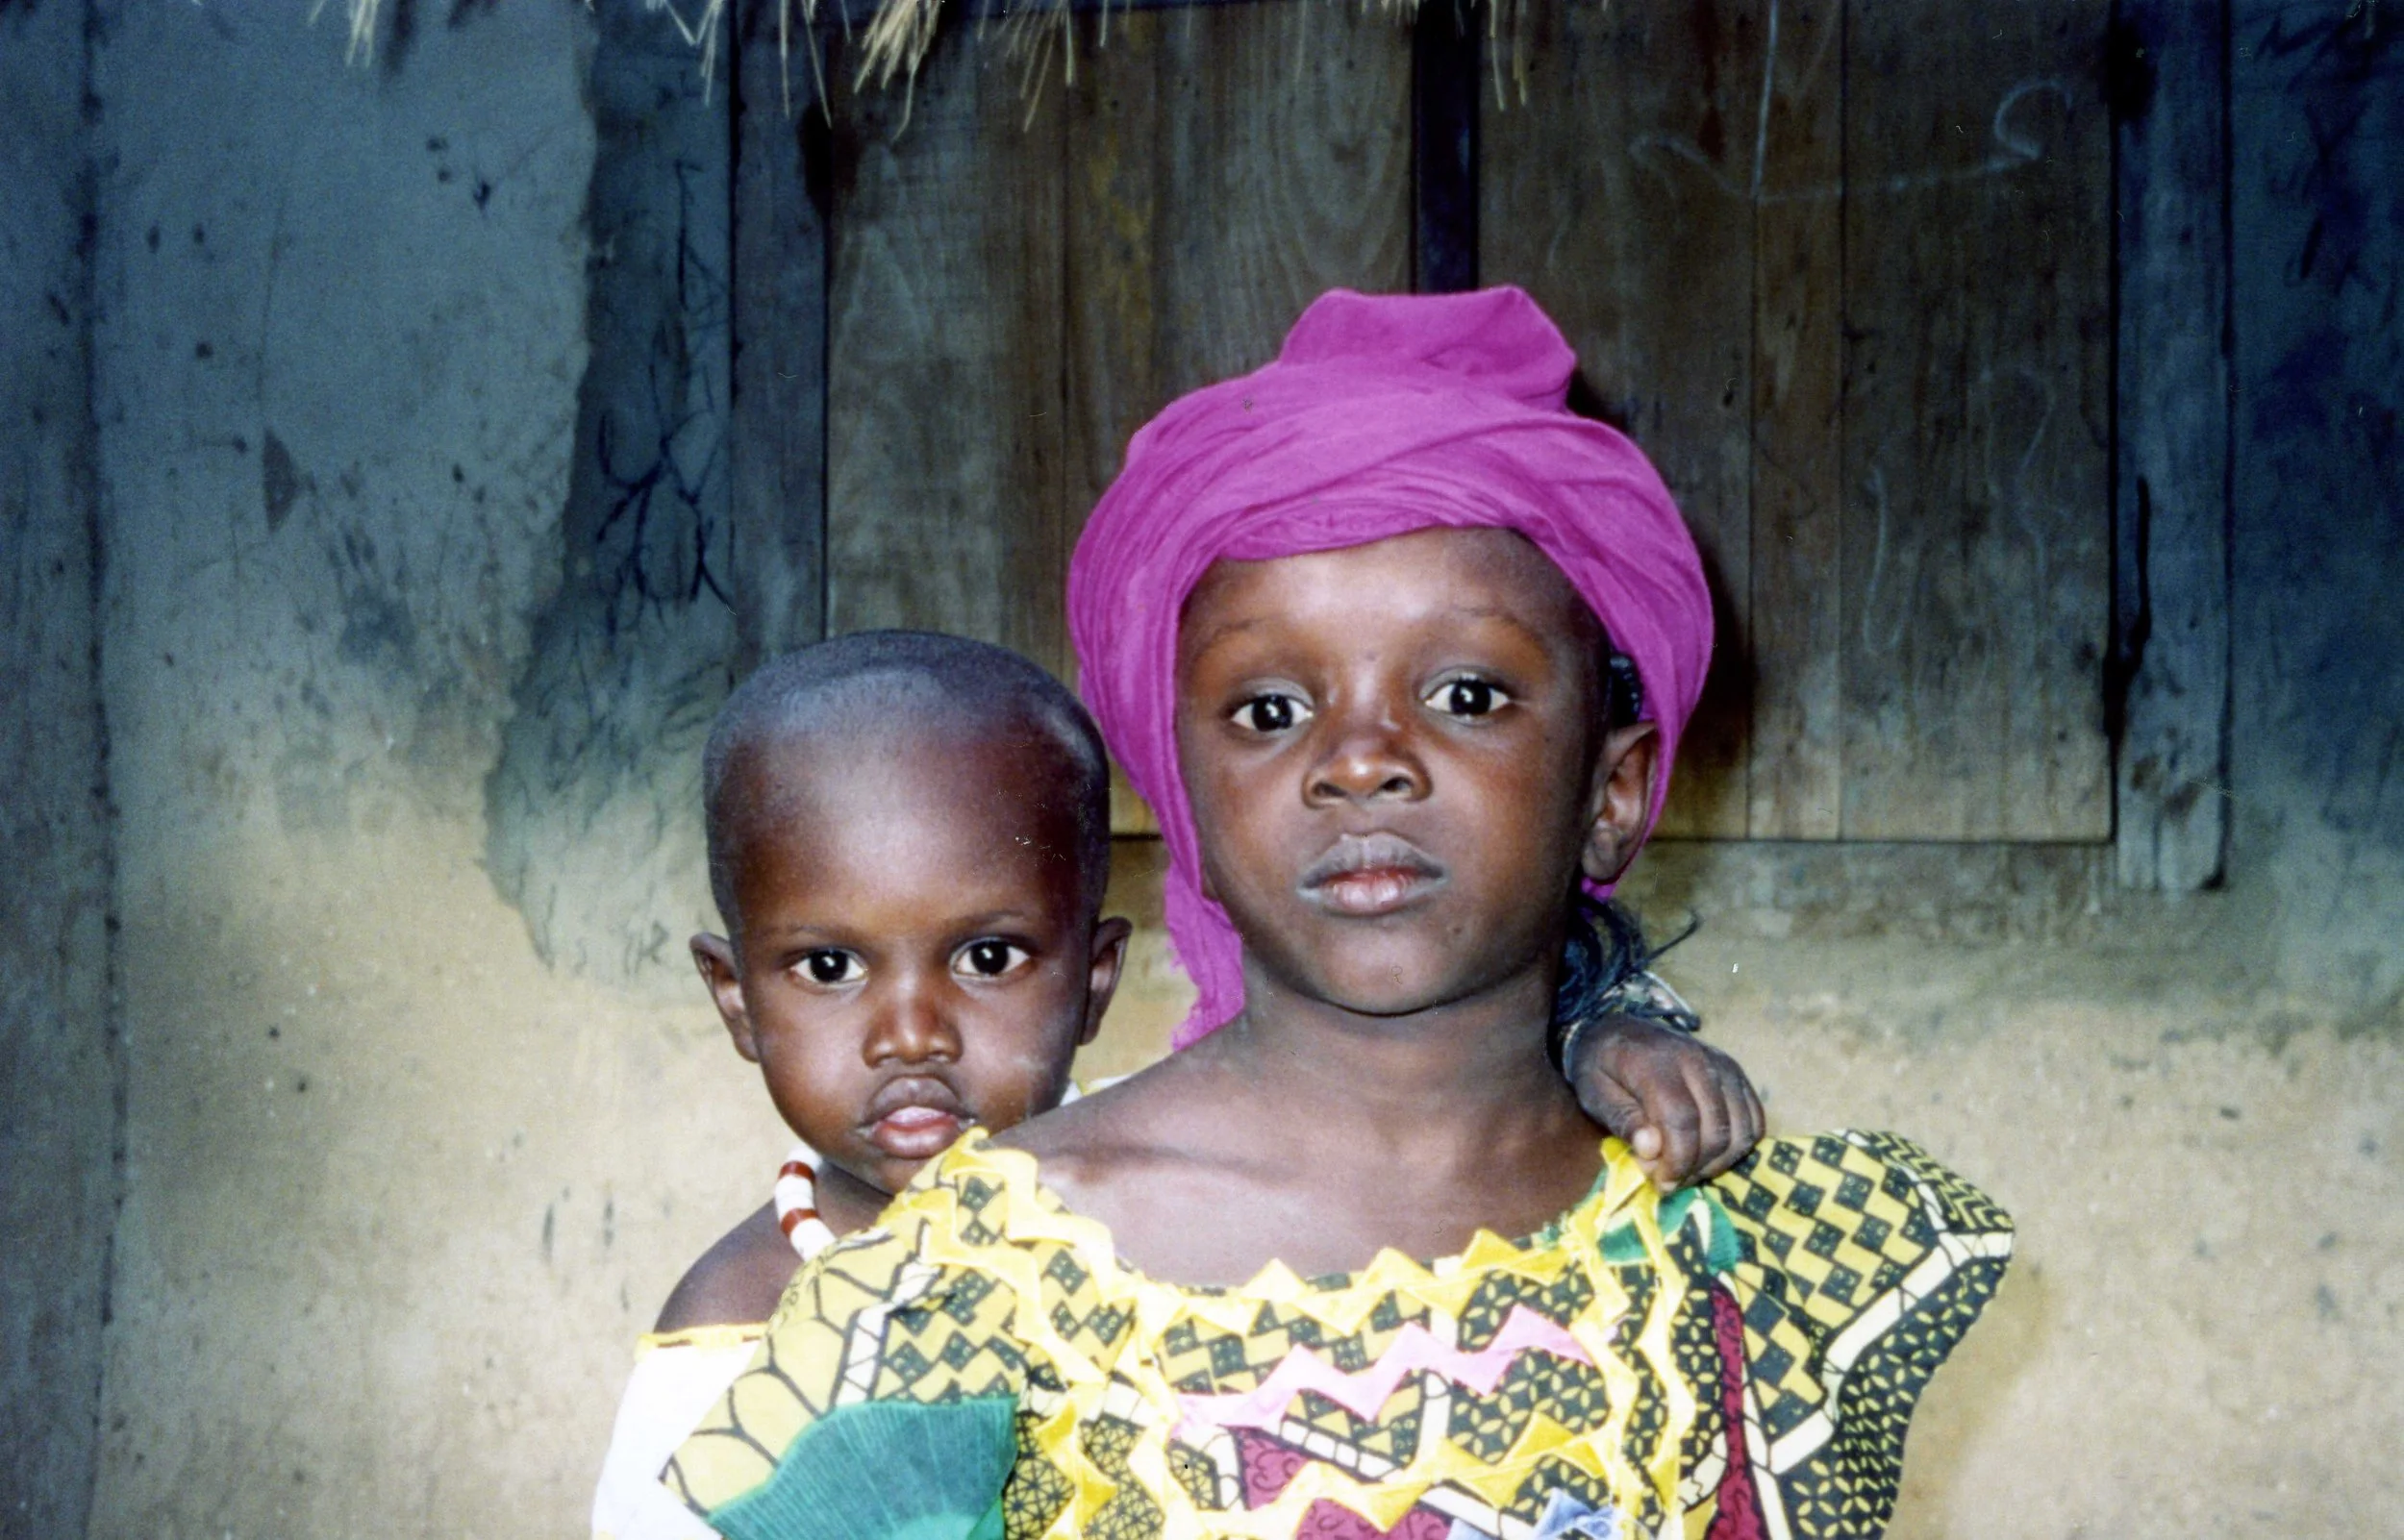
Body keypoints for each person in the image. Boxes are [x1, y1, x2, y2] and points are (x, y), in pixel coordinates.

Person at [662, 289, 2013, 1540]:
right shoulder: (981, 1282)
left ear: (1613, 789)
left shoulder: (1741, 1255)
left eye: (1468, 694)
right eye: (1271, 708)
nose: (1360, 758)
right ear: (1185, 791)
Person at [592, 628, 1765, 1540]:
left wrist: (1595, 1026)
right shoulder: (743, 1332)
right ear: (736, 998)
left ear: (1096, 980)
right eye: (830, 966)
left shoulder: (1156, 1231)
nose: (913, 1034)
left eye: (988, 958)